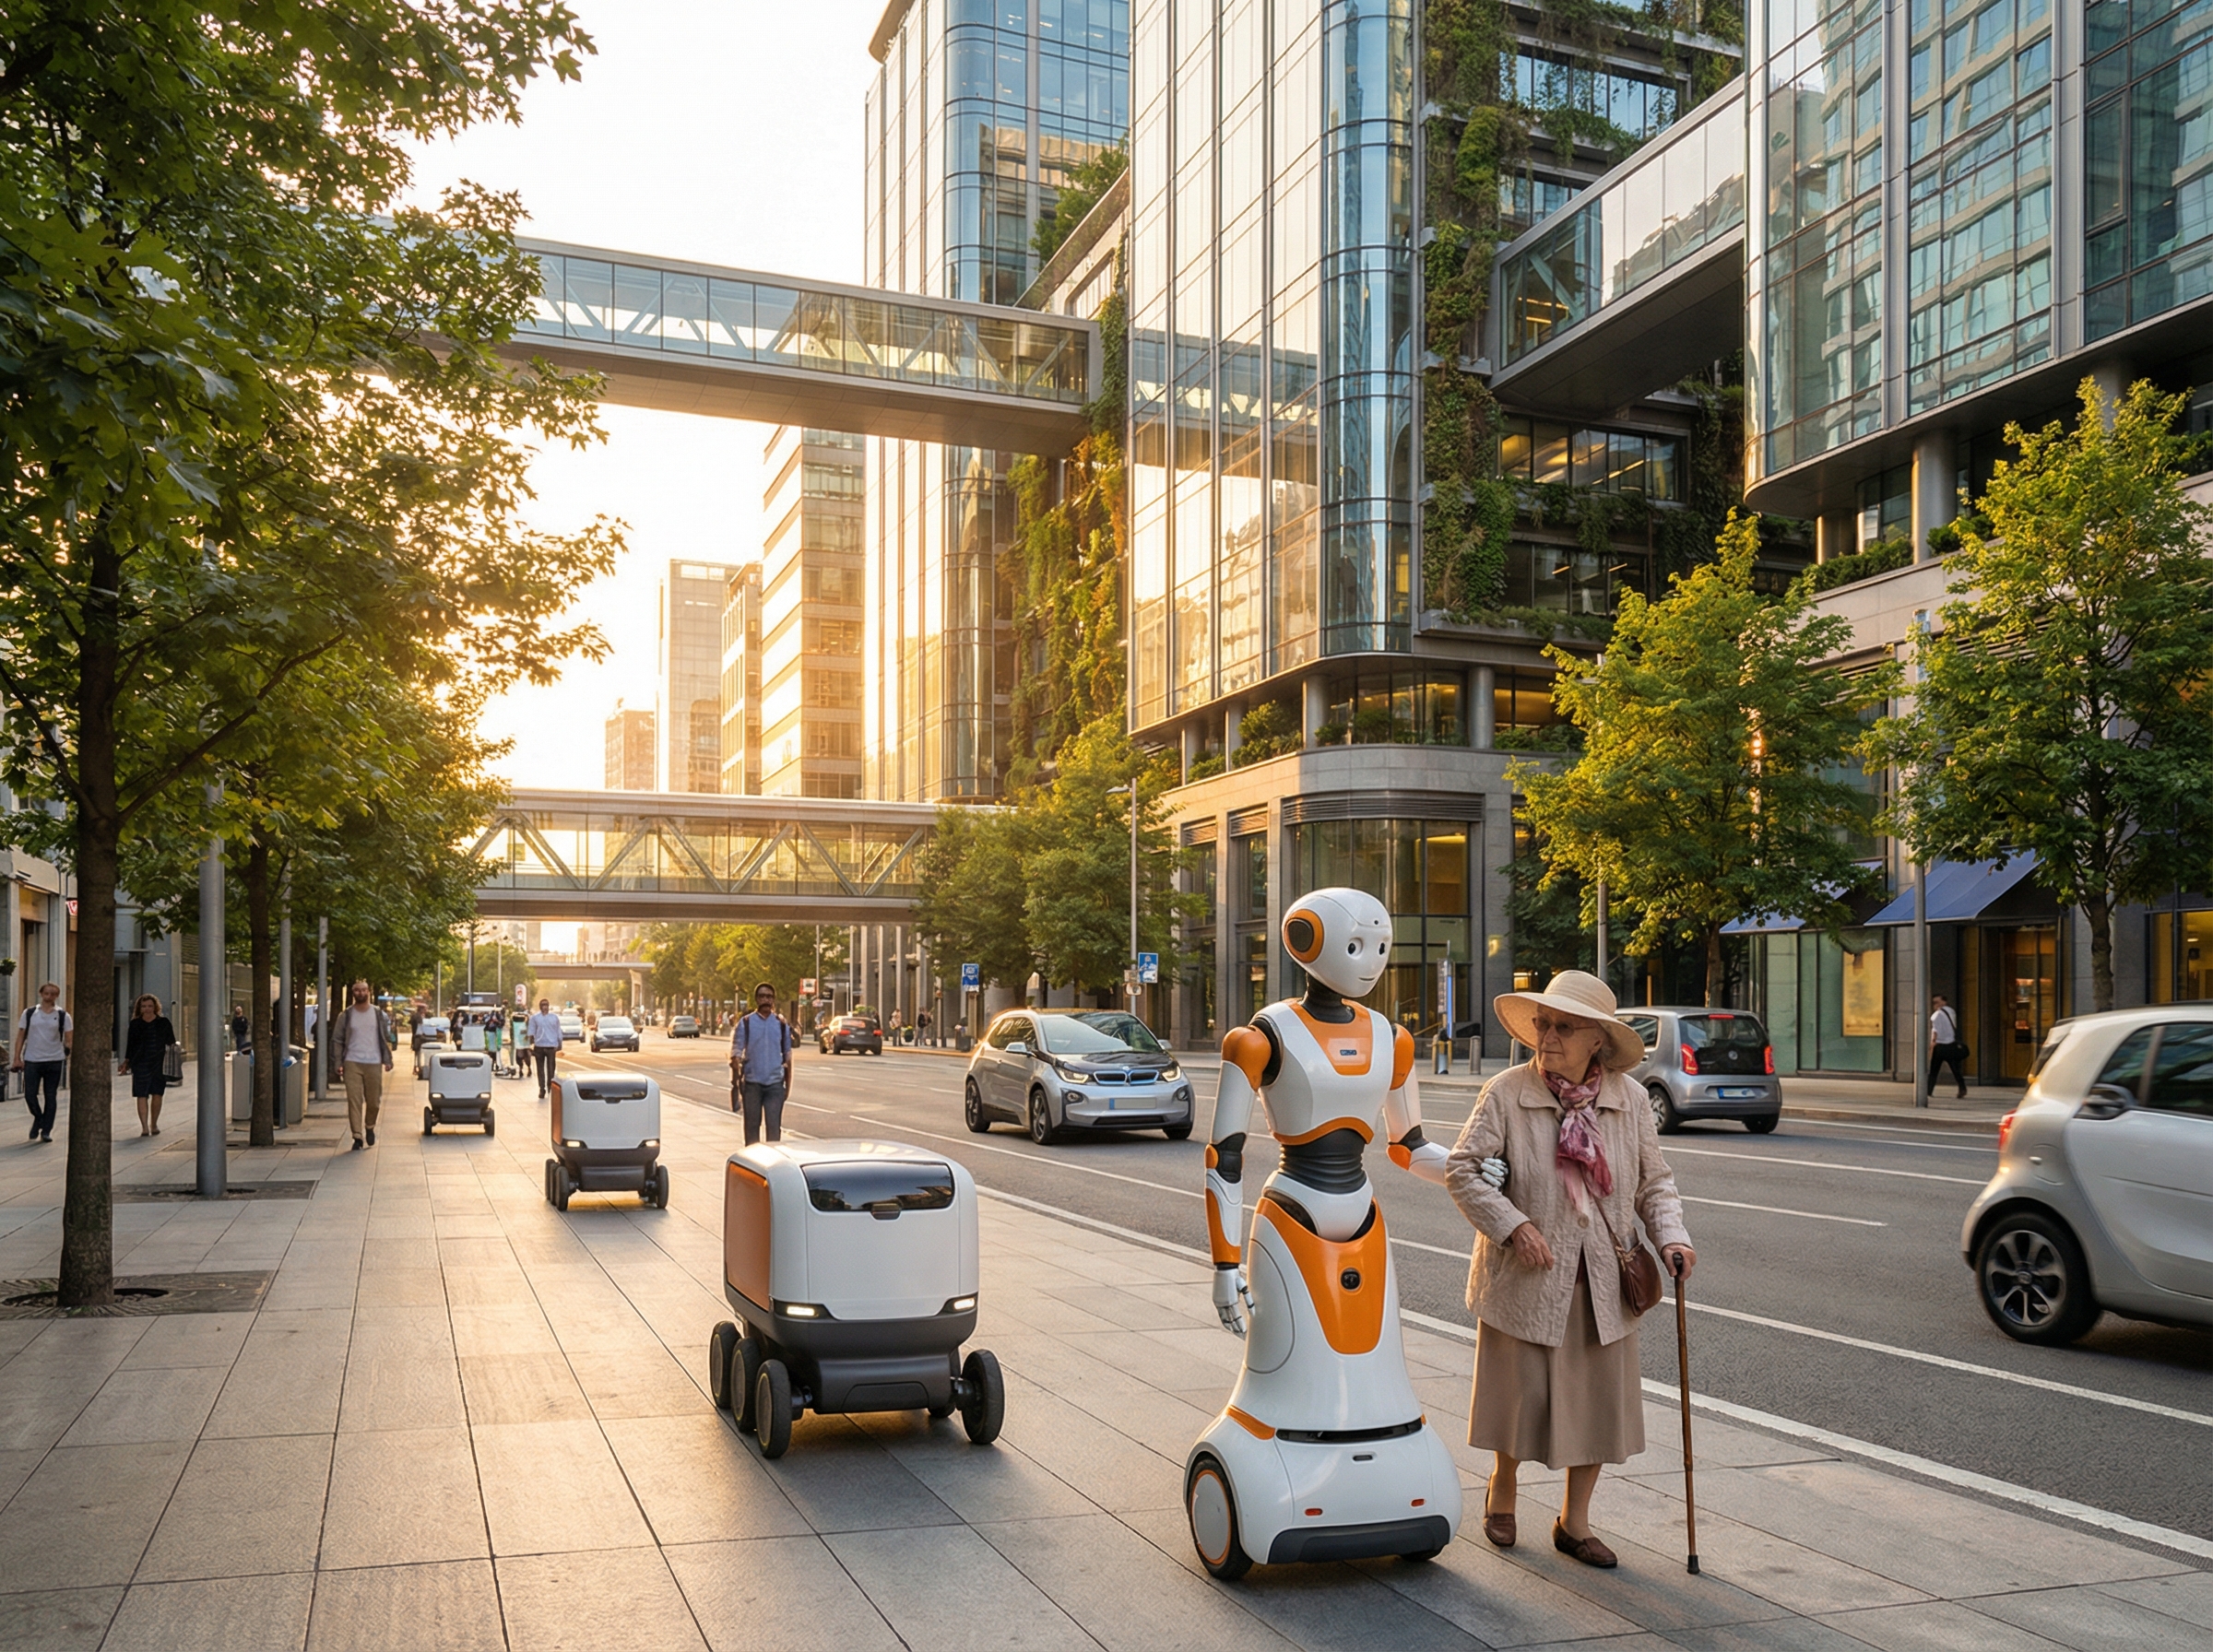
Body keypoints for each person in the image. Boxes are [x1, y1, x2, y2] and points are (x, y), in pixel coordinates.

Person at [1444, 970, 1694, 1569]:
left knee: (1598, 1407)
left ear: (1597, 1042)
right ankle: (1502, 1489)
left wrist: (1673, 1239)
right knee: (1516, 1398)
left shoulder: (1629, 1100)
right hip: (1525, 1280)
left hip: (1604, 1282)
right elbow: (1463, 1170)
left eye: (1564, 1027)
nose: (1547, 1036)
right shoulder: (1507, 1092)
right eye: (1544, 1024)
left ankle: (1573, 1523)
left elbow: (1654, 1182)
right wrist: (1513, 1225)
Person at [332, 979, 395, 1151]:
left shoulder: (378, 1014)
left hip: (373, 1062)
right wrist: (338, 1062)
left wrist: (387, 1060)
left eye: (363, 990)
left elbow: (386, 1038)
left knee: (373, 1101)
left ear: (368, 992)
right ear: (353, 993)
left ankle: (369, 1126)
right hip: (352, 1061)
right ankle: (357, 1137)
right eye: (357, 990)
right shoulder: (346, 1015)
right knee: (355, 1100)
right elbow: (337, 1039)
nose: (360, 993)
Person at [731, 981, 794, 1146]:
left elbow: (788, 1056)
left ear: (773, 1000)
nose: (766, 1000)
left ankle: (773, 1166)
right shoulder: (746, 1023)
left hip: (775, 1085)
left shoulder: (781, 1025)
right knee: (751, 1129)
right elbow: (736, 1050)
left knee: (774, 1130)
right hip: (752, 1084)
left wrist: (788, 1084)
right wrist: (736, 1067)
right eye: (762, 996)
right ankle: (753, 1165)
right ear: (756, 999)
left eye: (769, 997)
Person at [10, 981, 71, 1143]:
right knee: (30, 1095)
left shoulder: (63, 1015)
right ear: (41, 994)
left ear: (56, 996)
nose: (49, 996)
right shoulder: (30, 1013)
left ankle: (46, 1130)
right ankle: (39, 1118)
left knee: (51, 1096)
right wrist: (17, 1057)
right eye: (47, 993)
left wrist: (69, 1053)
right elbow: (21, 1036)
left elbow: (69, 1039)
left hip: (54, 1060)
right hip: (32, 1060)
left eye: (53, 994)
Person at [119, 994, 176, 1137]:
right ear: (140, 1008)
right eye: (144, 1006)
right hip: (140, 1062)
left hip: (159, 1062)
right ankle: (144, 1127)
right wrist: (127, 1061)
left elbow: (171, 1042)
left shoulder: (163, 1022)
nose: (147, 1009)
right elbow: (130, 1045)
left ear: (155, 1007)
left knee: (158, 1093)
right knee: (141, 1093)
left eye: (150, 1006)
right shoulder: (135, 1024)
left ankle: (154, 1124)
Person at [1929, 995, 1968, 1099]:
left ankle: (1929, 1090)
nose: (1935, 1005)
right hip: (1951, 1044)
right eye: (1934, 1002)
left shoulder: (1935, 1015)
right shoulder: (1951, 1012)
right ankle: (1962, 1088)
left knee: (1934, 1070)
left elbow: (1935, 1031)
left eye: (1937, 1002)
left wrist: (1932, 1044)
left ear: (1943, 1002)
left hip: (1940, 1046)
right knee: (1955, 1069)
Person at [527, 997, 563, 1099]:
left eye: (546, 1005)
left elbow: (558, 1031)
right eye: (543, 1005)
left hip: (551, 1046)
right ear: (540, 1007)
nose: (545, 1007)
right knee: (540, 1069)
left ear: (549, 1006)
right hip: (539, 1046)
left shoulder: (554, 1018)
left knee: (551, 1068)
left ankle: (550, 1087)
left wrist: (559, 1043)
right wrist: (530, 1047)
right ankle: (541, 1088)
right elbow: (531, 1032)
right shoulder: (535, 1018)